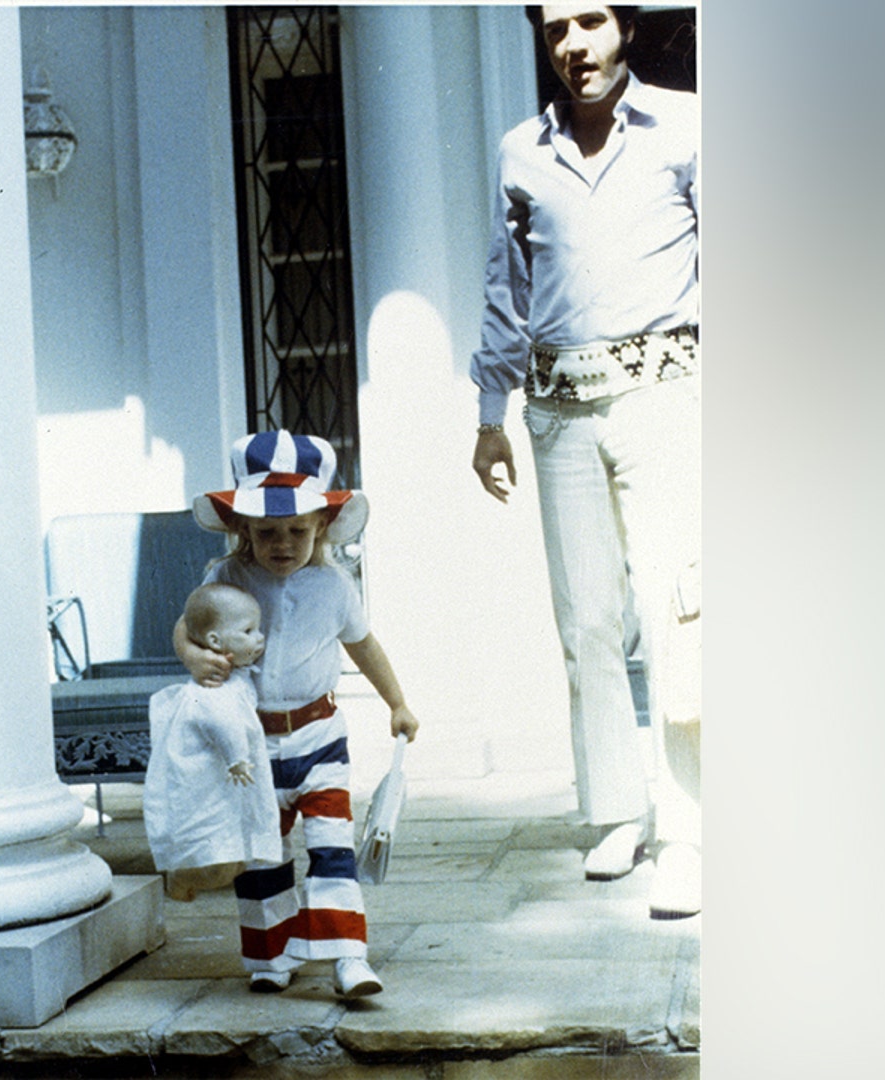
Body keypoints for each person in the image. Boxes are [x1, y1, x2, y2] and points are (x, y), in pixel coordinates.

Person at [469, 3, 702, 917]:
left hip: (665, 397)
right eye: (557, 27)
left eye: (592, 21)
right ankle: (616, 812)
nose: (574, 46)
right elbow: (506, 282)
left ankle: (687, 831)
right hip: (559, 411)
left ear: (627, 29)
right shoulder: (520, 149)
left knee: (675, 609)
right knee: (588, 621)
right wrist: (491, 411)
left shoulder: (687, 123)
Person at [176, 431, 421, 997]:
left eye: (297, 531)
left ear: (321, 529)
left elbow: (363, 644)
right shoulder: (226, 578)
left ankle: (348, 956)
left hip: (318, 736)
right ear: (242, 529)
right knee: (262, 852)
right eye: (266, 532)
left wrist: (398, 701)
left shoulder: (333, 584)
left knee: (332, 844)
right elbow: (187, 626)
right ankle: (271, 955)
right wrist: (193, 654)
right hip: (250, 742)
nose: (282, 543)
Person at [144, 583, 283, 902]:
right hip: (222, 777)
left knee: (235, 855)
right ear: (216, 642)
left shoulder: (234, 677)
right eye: (248, 630)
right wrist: (237, 758)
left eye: (258, 629)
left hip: (227, 782)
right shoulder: (215, 688)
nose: (259, 638)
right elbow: (224, 723)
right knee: (222, 859)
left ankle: (185, 875)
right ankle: (181, 879)